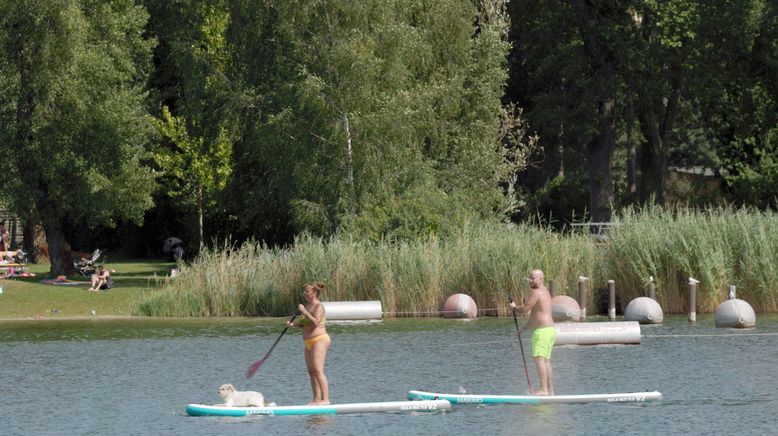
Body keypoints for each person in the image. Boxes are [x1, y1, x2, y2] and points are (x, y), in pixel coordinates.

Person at [508, 269, 555, 395]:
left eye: (533, 278)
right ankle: (550, 391)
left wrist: (514, 307)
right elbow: (536, 315)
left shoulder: (536, 292)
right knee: (545, 360)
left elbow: (524, 309)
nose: (530, 280)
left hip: (543, 332)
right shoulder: (544, 292)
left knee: (539, 359)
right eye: (530, 277)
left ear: (541, 279)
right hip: (548, 330)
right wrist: (524, 329)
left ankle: (544, 390)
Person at [288, 282, 330, 405]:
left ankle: (325, 400)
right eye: (305, 291)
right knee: (311, 371)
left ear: (315, 293)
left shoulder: (319, 306)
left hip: (320, 340)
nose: (304, 294)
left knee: (318, 370)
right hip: (308, 341)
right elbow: (305, 324)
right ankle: (316, 399)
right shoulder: (307, 306)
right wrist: (293, 325)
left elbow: (316, 322)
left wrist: (304, 312)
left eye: (307, 291)